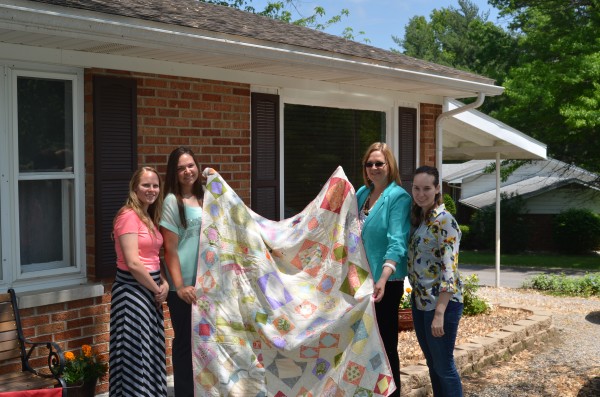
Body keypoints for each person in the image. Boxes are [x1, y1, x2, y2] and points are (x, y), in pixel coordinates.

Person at [356, 142, 411, 397]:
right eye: (370, 164)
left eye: (380, 163)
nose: (374, 168)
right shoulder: (360, 194)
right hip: (359, 281)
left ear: (390, 166)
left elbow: (397, 240)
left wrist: (384, 276)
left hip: (385, 283)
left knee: (385, 345)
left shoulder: (398, 197)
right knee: (362, 345)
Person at [109, 166, 168, 397]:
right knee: (135, 356)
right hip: (132, 293)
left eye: (155, 185)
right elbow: (133, 263)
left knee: (149, 352)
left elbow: (153, 257)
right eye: (146, 185)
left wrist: (163, 282)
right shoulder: (128, 216)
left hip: (149, 291)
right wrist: (157, 290)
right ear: (135, 187)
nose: (151, 189)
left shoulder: (147, 216)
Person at [408, 165, 464, 397]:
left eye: (427, 189)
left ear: (437, 189)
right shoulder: (421, 218)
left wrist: (440, 313)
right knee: (433, 364)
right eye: (416, 188)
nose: (421, 194)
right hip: (421, 301)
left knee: (444, 366)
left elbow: (449, 271)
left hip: (441, 304)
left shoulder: (444, 221)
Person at [159, 147, 204, 397]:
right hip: (184, 288)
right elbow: (170, 249)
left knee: (206, 344)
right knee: (185, 344)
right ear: (173, 173)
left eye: (190, 165)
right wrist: (180, 286)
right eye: (181, 168)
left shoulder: (206, 198)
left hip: (206, 284)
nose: (187, 171)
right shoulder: (171, 201)